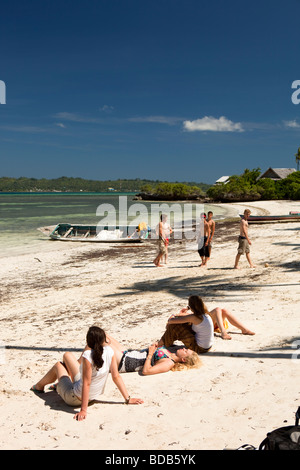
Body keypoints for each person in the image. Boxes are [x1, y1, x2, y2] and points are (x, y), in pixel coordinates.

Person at [30, 326, 143, 421]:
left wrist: (83, 410)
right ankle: (61, 384)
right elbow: (116, 376)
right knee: (67, 355)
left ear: (88, 342)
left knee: (58, 365)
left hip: (74, 398)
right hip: (92, 395)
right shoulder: (110, 351)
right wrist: (128, 399)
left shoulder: (88, 356)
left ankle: (39, 386)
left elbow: (87, 383)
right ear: (104, 340)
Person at [105, 334, 201, 375]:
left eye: (185, 351)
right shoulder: (172, 350)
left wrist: (150, 354)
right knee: (102, 333)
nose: (183, 348)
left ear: (183, 359)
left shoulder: (168, 363)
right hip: (128, 353)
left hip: (125, 362)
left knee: (99, 339)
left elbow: (146, 371)